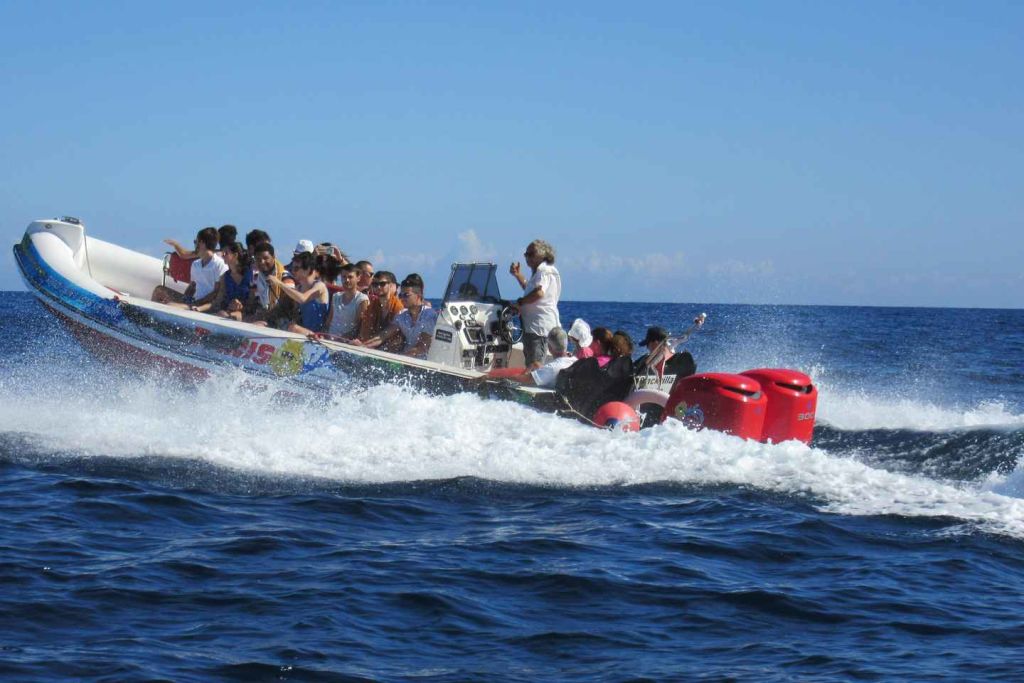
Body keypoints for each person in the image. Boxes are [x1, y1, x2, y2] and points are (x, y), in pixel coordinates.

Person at [352, 274, 437, 358]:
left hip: (422, 362)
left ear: (419, 295)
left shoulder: (429, 315)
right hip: (404, 360)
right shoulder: (402, 315)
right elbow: (382, 336)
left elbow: (422, 346)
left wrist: (400, 358)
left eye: (406, 295)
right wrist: (363, 347)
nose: (402, 298)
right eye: (401, 295)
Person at [510, 239, 561, 368]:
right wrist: (518, 275)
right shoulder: (540, 273)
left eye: (531, 254)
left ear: (543, 254)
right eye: (526, 254)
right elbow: (530, 289)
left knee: (534, 367)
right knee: (532, 365)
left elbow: (538, 293)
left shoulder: (544, 271)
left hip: (538, 329)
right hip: (536, 327)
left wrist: (520, 303)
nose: (528, 257)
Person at [152, 227, 228, 308]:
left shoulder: (220, 265)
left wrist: (195, 303)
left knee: (170, 305)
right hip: (193, 302)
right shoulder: (196, 264)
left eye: (195, 242)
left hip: (205, 306)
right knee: (159, 291)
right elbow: (192, 286)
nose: (195, 245)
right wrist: (185, 300)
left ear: (201, 243)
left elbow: (216, 293)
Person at [265, 251, 329, 335]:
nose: (292, 271)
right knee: (264, 323)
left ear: (307, 269)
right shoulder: (298, 288)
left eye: (296, 268)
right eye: (292, 268)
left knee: (293, 328)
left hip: (317, 335)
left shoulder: (320, 286)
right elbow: (295, 315)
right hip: (302, 333)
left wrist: (279, 283)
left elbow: (303, 299)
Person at [492, 328, 577, 388]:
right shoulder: (575, 361)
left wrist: (501, 376)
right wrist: (538, 366)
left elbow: (525, 379)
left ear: (550, 348)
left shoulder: (552, 368)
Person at [245, 242, 295, 324]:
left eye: (265, 258)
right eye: (258, 259)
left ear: (273, 257)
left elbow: (287, 304)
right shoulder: (256, 278)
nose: (262, 262)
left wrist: (265, 316)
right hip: (263, 318)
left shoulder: (285, 276)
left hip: (282, 322)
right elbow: (252, 301)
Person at [358, 270, 405, 349]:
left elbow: (398, 338)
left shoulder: (398, 307)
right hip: (373, 347)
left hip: (392, 351)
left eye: (382, 284)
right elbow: (365, 332)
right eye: (375, 284)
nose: (378, 287)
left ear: (390, 285)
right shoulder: (372, 306)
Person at [323, 264, 369, 340]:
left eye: (350, 277)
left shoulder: (362, 299)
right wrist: (322, 334)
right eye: (344, 277)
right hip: (329, 338)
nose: (346, 280)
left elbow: (359, 327)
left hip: (345, 342)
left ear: (358, 278)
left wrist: (340, 339)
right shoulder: (336, 296)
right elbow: (329, 319)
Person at [210, 243, 252, 320]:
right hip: (228, 312)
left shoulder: (250, 274)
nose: (222, 256)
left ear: (235, 255)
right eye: (222, 253)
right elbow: (219, 300)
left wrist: (241, 306)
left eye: (225, 253)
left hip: (247, 313)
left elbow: (253, 299)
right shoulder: (224, 277)